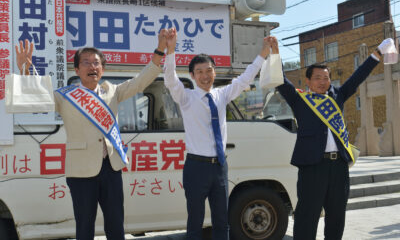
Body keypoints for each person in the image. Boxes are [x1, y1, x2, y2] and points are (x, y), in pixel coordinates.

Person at [15, 31, 165, 239]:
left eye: (96, 63)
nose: (92, 67)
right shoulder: (65, 96)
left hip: (111, 168)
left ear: (102, 69)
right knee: (84, 227)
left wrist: (159, 50)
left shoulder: (113, 91)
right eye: (85, 62)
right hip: (81, 171)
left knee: (116, 225)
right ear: (77, 69)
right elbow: (38, 97)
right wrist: (25, 69)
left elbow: (140, 81)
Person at [269, 35, 394, 240]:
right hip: (312, 166)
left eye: (326, 78)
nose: (322, 82)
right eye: (317, 78)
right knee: (307, 215)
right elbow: (281, 81)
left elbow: (358, 77)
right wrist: (275, 53)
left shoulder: (338, 96)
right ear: (308, 81)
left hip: (339, 168)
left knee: (337, 216)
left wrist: (377, 54)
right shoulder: (300, 100)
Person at [163, 28, 271, 240]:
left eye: (209, 70)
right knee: (195, 220)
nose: (205, 76)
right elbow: (170, 79)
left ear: (215, 72)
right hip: (196, 167)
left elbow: (245, 78)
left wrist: (263, 54)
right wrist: (171, 50)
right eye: (200, 72)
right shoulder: (186, 98)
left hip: (220, 167)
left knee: (222, 220)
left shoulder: (222, 95)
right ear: (192, 76)